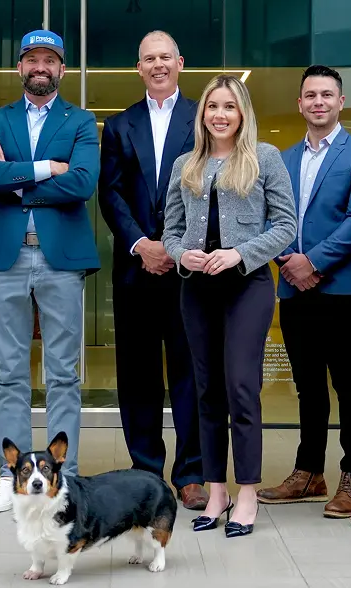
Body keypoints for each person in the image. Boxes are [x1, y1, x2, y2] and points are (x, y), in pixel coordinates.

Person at [0, 30, 101, 514]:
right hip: (5, 257)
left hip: (59, 259)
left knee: (63, 373)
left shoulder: (80, 120)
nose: (40, 66)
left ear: (61, 69)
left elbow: (83, 183)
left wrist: (16, 178)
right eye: (32, 59)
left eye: (49, 59)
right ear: (20, 67)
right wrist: (47, 167)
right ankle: (13, 477)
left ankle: (64, 477)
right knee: (9, 373)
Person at [163, 74, 297, 538]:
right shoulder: (186, 164)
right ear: (203, 114)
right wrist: (182, 255)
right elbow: (170, 231)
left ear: (242, 114)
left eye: (229, 107)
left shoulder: (265, 158)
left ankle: (247, 493)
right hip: (197, 288)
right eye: (213, 106)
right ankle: (216, 490)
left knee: (241, 386)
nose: (220, 115)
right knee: (207, 391)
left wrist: (240, 253)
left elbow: (286, 225)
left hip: (246, 285)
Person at [258, 65, 351, 519]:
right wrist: (288, 261)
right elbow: (269, 218)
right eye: (310, 95)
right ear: (300, 103)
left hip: (341, 289)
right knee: (307, 386)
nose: (318, 102)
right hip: (294, 288)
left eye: (327, 95)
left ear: (340, 102)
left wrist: (312, 262)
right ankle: (309, 472)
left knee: (348, 384)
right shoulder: (282, 158)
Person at [99, 30, 208, 511]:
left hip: (191, 271)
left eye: (165, 57)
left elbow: (215, 188)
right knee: (138, 373)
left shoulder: (204, 118)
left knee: (191, 372)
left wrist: (177, 247)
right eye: (149, 58)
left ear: (180, 62)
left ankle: (191, 473)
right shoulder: (119, 125)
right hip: (136, 268)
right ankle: (145, 470)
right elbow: (110, 193)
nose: (158, 64)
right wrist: (142, 244)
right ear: (139, 67)